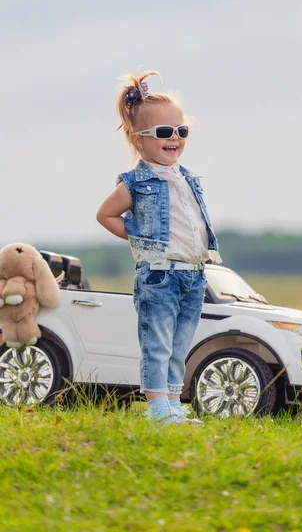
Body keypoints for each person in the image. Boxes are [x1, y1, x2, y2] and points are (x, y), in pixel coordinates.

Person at [96, 70, 222, 424]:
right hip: (159, 275)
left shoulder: (187, 177)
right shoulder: (136, 182)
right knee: (158, 344)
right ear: (138, 140)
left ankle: (172, 404)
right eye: (165, 133)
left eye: (182, 131)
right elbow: (105, 215)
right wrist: (140, 238)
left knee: (180, 346)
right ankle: (156, 410)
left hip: (193, 277)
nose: (175, 139)